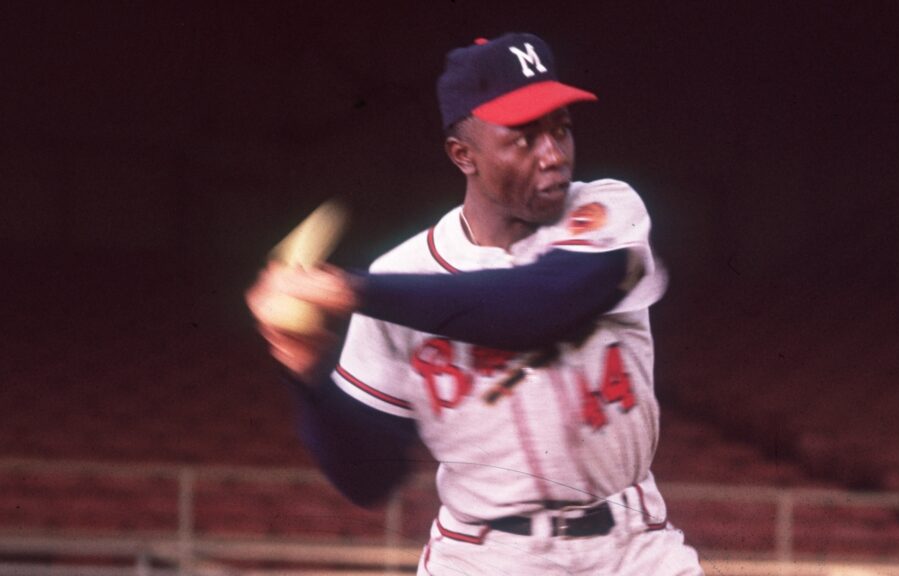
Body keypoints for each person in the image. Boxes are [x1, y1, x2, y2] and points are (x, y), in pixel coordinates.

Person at [246, 32, 703, 576]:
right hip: (484, 555)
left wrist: (352, 292)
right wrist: (308, 371)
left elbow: (536, 309)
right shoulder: (401, 277)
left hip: (631, 546)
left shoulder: (606, 211)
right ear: (464, 155)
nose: (553, 154)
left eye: (561, 128)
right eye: (524, 138)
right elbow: (369, 480)